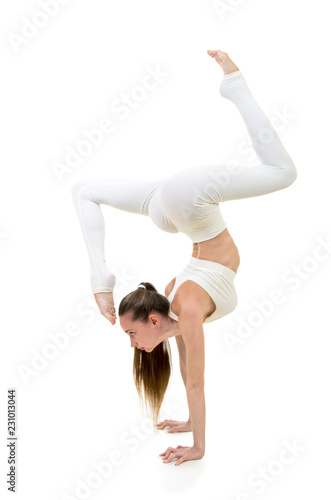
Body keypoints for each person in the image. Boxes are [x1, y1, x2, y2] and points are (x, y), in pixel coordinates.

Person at [70, 50, 297, 466]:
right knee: (84, 190)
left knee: (284, 173)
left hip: (183, 203)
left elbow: (194, 379)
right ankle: (100, 277)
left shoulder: (182, 306)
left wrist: (197, 442)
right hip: (175, 205)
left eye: (131, 335)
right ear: (155, 319)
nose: (135, 345)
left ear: (154, 318)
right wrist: (195, 437)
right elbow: (195, 380)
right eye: (132, 337)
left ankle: (234, 85)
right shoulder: (179, 310)